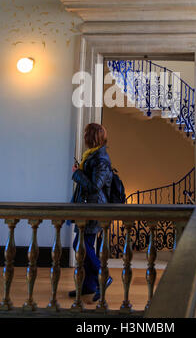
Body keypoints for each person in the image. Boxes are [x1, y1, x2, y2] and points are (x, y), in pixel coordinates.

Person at [69, 123, 113, 301]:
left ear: (92, 137)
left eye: (86, 134)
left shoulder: (101, 159)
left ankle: (104, 276)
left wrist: (77, 174)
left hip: (94, 208)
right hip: (86, 206)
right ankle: (89, 285)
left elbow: (95, 186)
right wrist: (80, 171)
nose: (84, 136)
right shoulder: (93, 155)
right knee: (84, 245)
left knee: (79, 245)